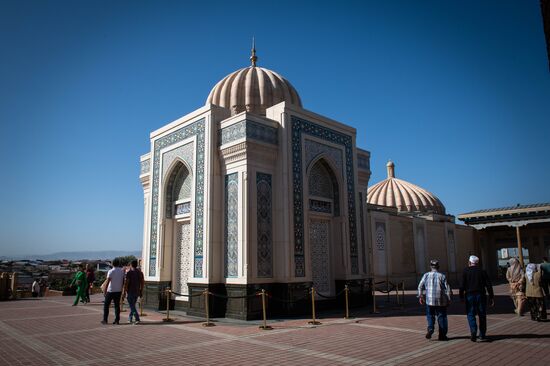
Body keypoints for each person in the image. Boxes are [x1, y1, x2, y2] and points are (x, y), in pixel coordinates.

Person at [459, 255, 494, 342]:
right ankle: (482, 334)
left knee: (470, 313)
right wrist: (491, 296)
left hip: (469, 295)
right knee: (482, 314)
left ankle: (473, 330)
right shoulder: (482, 271)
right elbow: (488, 285)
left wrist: (461, 296)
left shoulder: (465, 271)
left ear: (469, 262)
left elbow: (462, 285)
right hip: (481, 295)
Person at [417, 259, 452, 341]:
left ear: (430, 266)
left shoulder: (426, 275)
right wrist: (449, 299)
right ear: (438, 267)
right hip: (441, 300)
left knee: (430, 315)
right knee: (442, 317)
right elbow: (448, 289)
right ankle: (442, 335)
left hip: (429, 300)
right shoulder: (442, 276)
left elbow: (420, 286)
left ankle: (430, 328)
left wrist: (421, 296)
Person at [102, 258, 125, 325]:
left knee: (106, 305)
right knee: (117, 306)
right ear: (118, 263)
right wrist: (123, 289)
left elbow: (107, 281)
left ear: (112, 264)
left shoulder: (111, 271)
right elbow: (123, 281)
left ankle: (105, 320)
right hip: (118, 290)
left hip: (111, 290)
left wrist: (104, 291)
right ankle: (117, 320)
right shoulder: (122, 271)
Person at [123, 259, 144, 325]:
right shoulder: (140, 272)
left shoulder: (129, 273)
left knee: (132, 306)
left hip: (130, 291)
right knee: (133, 305)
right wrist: (141, 291)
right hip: (137, 291)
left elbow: (126, 283)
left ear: (131, 265)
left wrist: (124, 291)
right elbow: (142, 282)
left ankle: (137, 318)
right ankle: (130, 318)